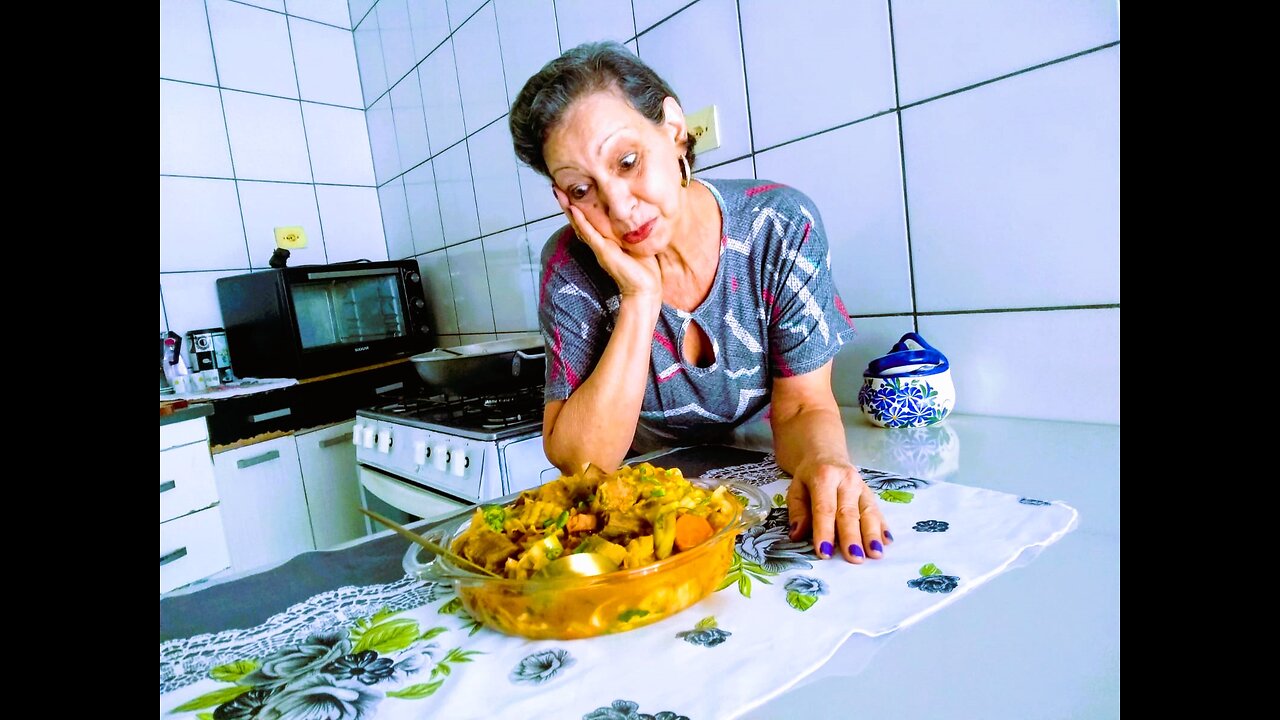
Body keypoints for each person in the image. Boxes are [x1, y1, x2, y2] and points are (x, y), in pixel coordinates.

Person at [509, 41, 890, 564]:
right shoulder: (569, 267)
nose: (619, 207)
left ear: (671, 126)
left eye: (627, 161)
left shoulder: (777, 225)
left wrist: (825, 462)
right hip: (645, 511)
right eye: (581, 190)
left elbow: (803, 404)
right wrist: (640, 297)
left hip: (768, 475)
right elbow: (582, 462)